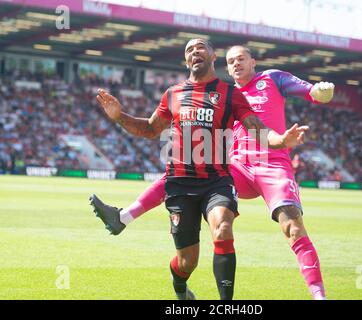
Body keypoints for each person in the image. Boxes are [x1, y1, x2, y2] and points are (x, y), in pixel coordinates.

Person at [92, 39, 309, 300]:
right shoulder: (173, 94)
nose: (195, 52)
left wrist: (282, 141)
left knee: (223, 229)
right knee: (187, 262)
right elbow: (150, 129)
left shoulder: (231, 94)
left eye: (200, 47)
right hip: (180, 186)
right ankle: (181, 288)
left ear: (213, 56)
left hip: (217, 181)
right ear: (186, 61)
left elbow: (258, 130)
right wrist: (119, 116)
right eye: (189, 50)